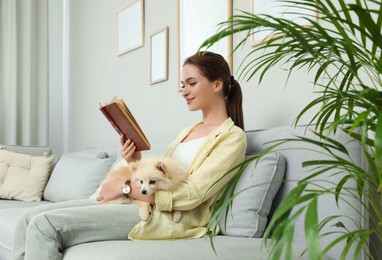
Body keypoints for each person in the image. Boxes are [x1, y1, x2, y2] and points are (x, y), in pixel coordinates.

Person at [11, 51, 247, 260]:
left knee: (44, 226)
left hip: (167, 217)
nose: (184, 91)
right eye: (182, 84)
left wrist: (125, 188)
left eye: (191, 83)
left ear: (217, 84)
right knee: (27, 218)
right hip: (139, 200)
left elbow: (193, 194)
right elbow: (162, 178)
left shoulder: (232, 138)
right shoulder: (188, 131)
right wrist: (135, 164)